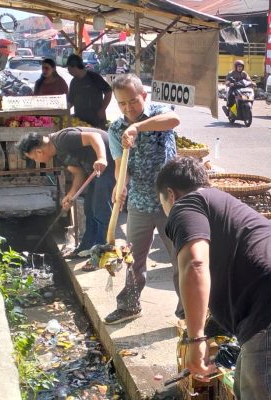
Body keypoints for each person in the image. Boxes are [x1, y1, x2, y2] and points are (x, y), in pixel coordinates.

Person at [155, 156, 271, 400]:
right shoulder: (221, 201)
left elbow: (195, 263)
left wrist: (196, 339)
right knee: (245, 390)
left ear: (170, 194)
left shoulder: (186, 205)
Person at [103, 74, 182, 324]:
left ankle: (189, 311)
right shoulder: (115, 128)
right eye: (122, 103)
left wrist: (137, 127)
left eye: (133, 101)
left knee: (182, 259)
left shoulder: (158, 112)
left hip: (171, 201)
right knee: (133, 258)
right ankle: (129, 305)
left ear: (143, 96)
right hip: (139, 201)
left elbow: (174, 119)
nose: (128, 108)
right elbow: (120, 165)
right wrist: (120, 185)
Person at [17, 128, 116, 257]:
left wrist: (101, 158)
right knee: (89, 208)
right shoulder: (58, 154)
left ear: (39, 151)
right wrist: (71, 195)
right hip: (96, 170)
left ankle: (102, 253)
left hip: (110, 162)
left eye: (34, 158)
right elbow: (78, 172)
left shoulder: (62, 139)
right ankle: (86, 248)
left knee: (100, 207)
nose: (36, 161)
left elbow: (94, 136)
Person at [66, 54, 112, 129]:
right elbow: (71, 101)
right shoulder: (73, 82)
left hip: (97, 119)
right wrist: (63, 112)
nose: (68, 71)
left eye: (69, 68)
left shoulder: (94, 77)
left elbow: (108, 92)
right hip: (80, 121)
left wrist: (102, 109)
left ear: (75, 66)